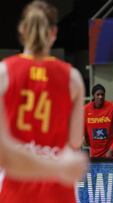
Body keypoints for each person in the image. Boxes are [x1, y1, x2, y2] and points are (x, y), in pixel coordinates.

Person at [0, 1, 88, 202]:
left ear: (22, 30)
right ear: (54, 32)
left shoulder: (4, 73)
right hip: (58, 187)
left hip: (16, 186)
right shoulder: (73, 78)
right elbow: (75, 141)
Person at [84, 84, 113, 157]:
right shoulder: (86, 109)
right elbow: (85, 131)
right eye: (98, 95)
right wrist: (87, 142)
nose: (100, 97)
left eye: (102, 94)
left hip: (112, 153)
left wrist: (112, 149)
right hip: (95, 154)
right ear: (93, 95)